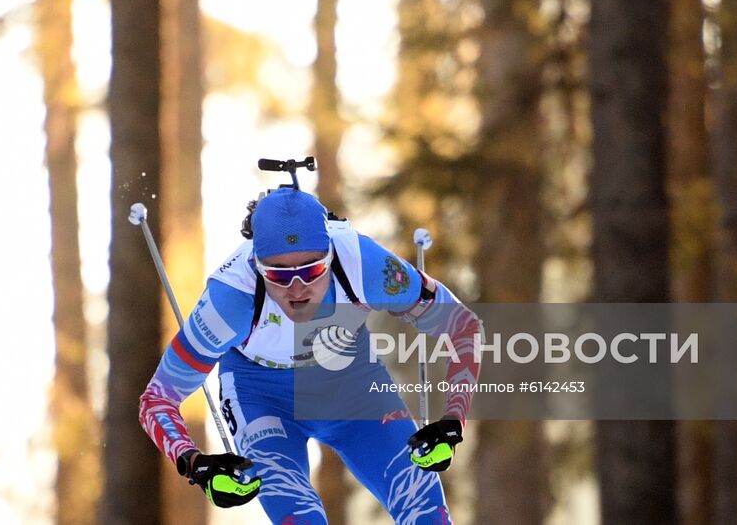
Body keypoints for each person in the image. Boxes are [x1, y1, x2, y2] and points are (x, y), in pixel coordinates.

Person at [139, 186, 483, 523]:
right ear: (256, 265)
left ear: (332, 255)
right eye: (278, 275)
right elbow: (157, 399)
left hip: (352, 385)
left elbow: (464, 327)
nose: (297, 289)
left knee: (427, 513)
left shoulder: (365, 264)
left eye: (312, 270)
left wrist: (453, 420)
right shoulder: (229, 301)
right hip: (262, 396)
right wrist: (194, 463)